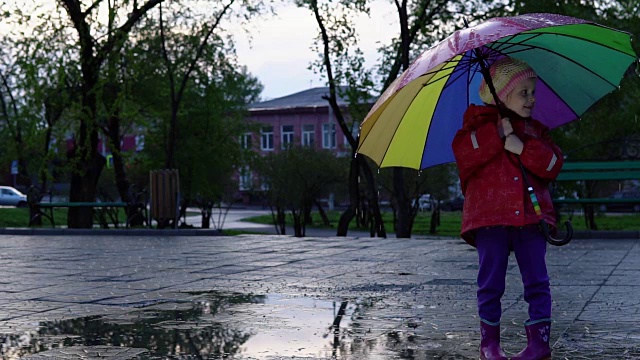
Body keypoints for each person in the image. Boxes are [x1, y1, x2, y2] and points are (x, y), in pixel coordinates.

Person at [451, 57, 564, 360]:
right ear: (500, 95)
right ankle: (489, 343)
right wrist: (496, 134)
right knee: (490, 282)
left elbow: (553, 164)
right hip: (490, 218)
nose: (531, 99)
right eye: (523, 92)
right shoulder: (476, 127)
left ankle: (539, 342)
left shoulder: (535, 131)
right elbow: (463, 154)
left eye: (532, 92)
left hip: (529, 218)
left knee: (537, 280)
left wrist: (523, 148)